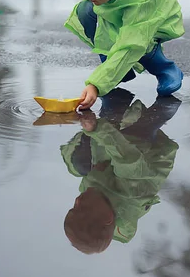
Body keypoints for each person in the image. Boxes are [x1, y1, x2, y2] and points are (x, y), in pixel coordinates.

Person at [64, 0, 185, 110]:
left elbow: (131, 45)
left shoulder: (142, 2)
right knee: (85, 12)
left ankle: (165, 69)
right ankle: (118, 70)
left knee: (137, 44)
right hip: (117, 8)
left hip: (155, 21)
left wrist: (96, 85)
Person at [61, 88, 182, 254]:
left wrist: (91, 128)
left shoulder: (90, 199)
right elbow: (128, 158)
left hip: (114, 165)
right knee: (130, 137)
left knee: (80, 163)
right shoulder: (131, 194)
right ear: (108, 217)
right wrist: (97, 128)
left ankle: (115, 103)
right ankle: (164, 107)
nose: (77, 201)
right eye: (82, 209)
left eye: (73, 208)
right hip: (150, 156)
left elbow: (99, 160)